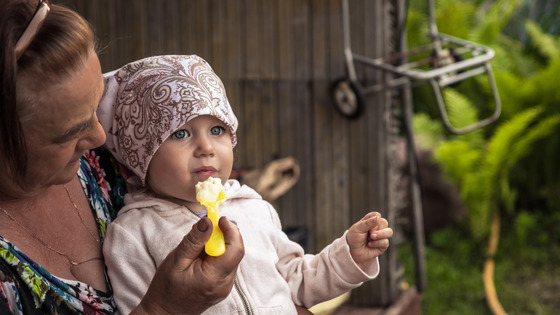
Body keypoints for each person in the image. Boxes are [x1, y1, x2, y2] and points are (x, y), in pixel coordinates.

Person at [0, 1, 245, 314]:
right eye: (69, 133)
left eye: (96, 107)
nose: (99, 137)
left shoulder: (112, 157)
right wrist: (163, 309)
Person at [100, 54, 394, 314]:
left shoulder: (254, 207)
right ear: (141, 155)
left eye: (217, 130)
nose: (206, 147)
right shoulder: (132, 235)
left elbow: (297, 281)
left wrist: (349, 255)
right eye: (180, 134)